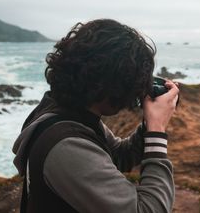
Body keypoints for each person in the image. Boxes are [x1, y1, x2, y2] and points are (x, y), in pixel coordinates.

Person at [12, 19, 179, 213]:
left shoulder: (64, 112)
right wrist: (157, 131)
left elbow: (118, 155)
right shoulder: (67, 145)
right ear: (113, 84)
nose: (134, 93)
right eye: (131, 84)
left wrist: (149, 124)